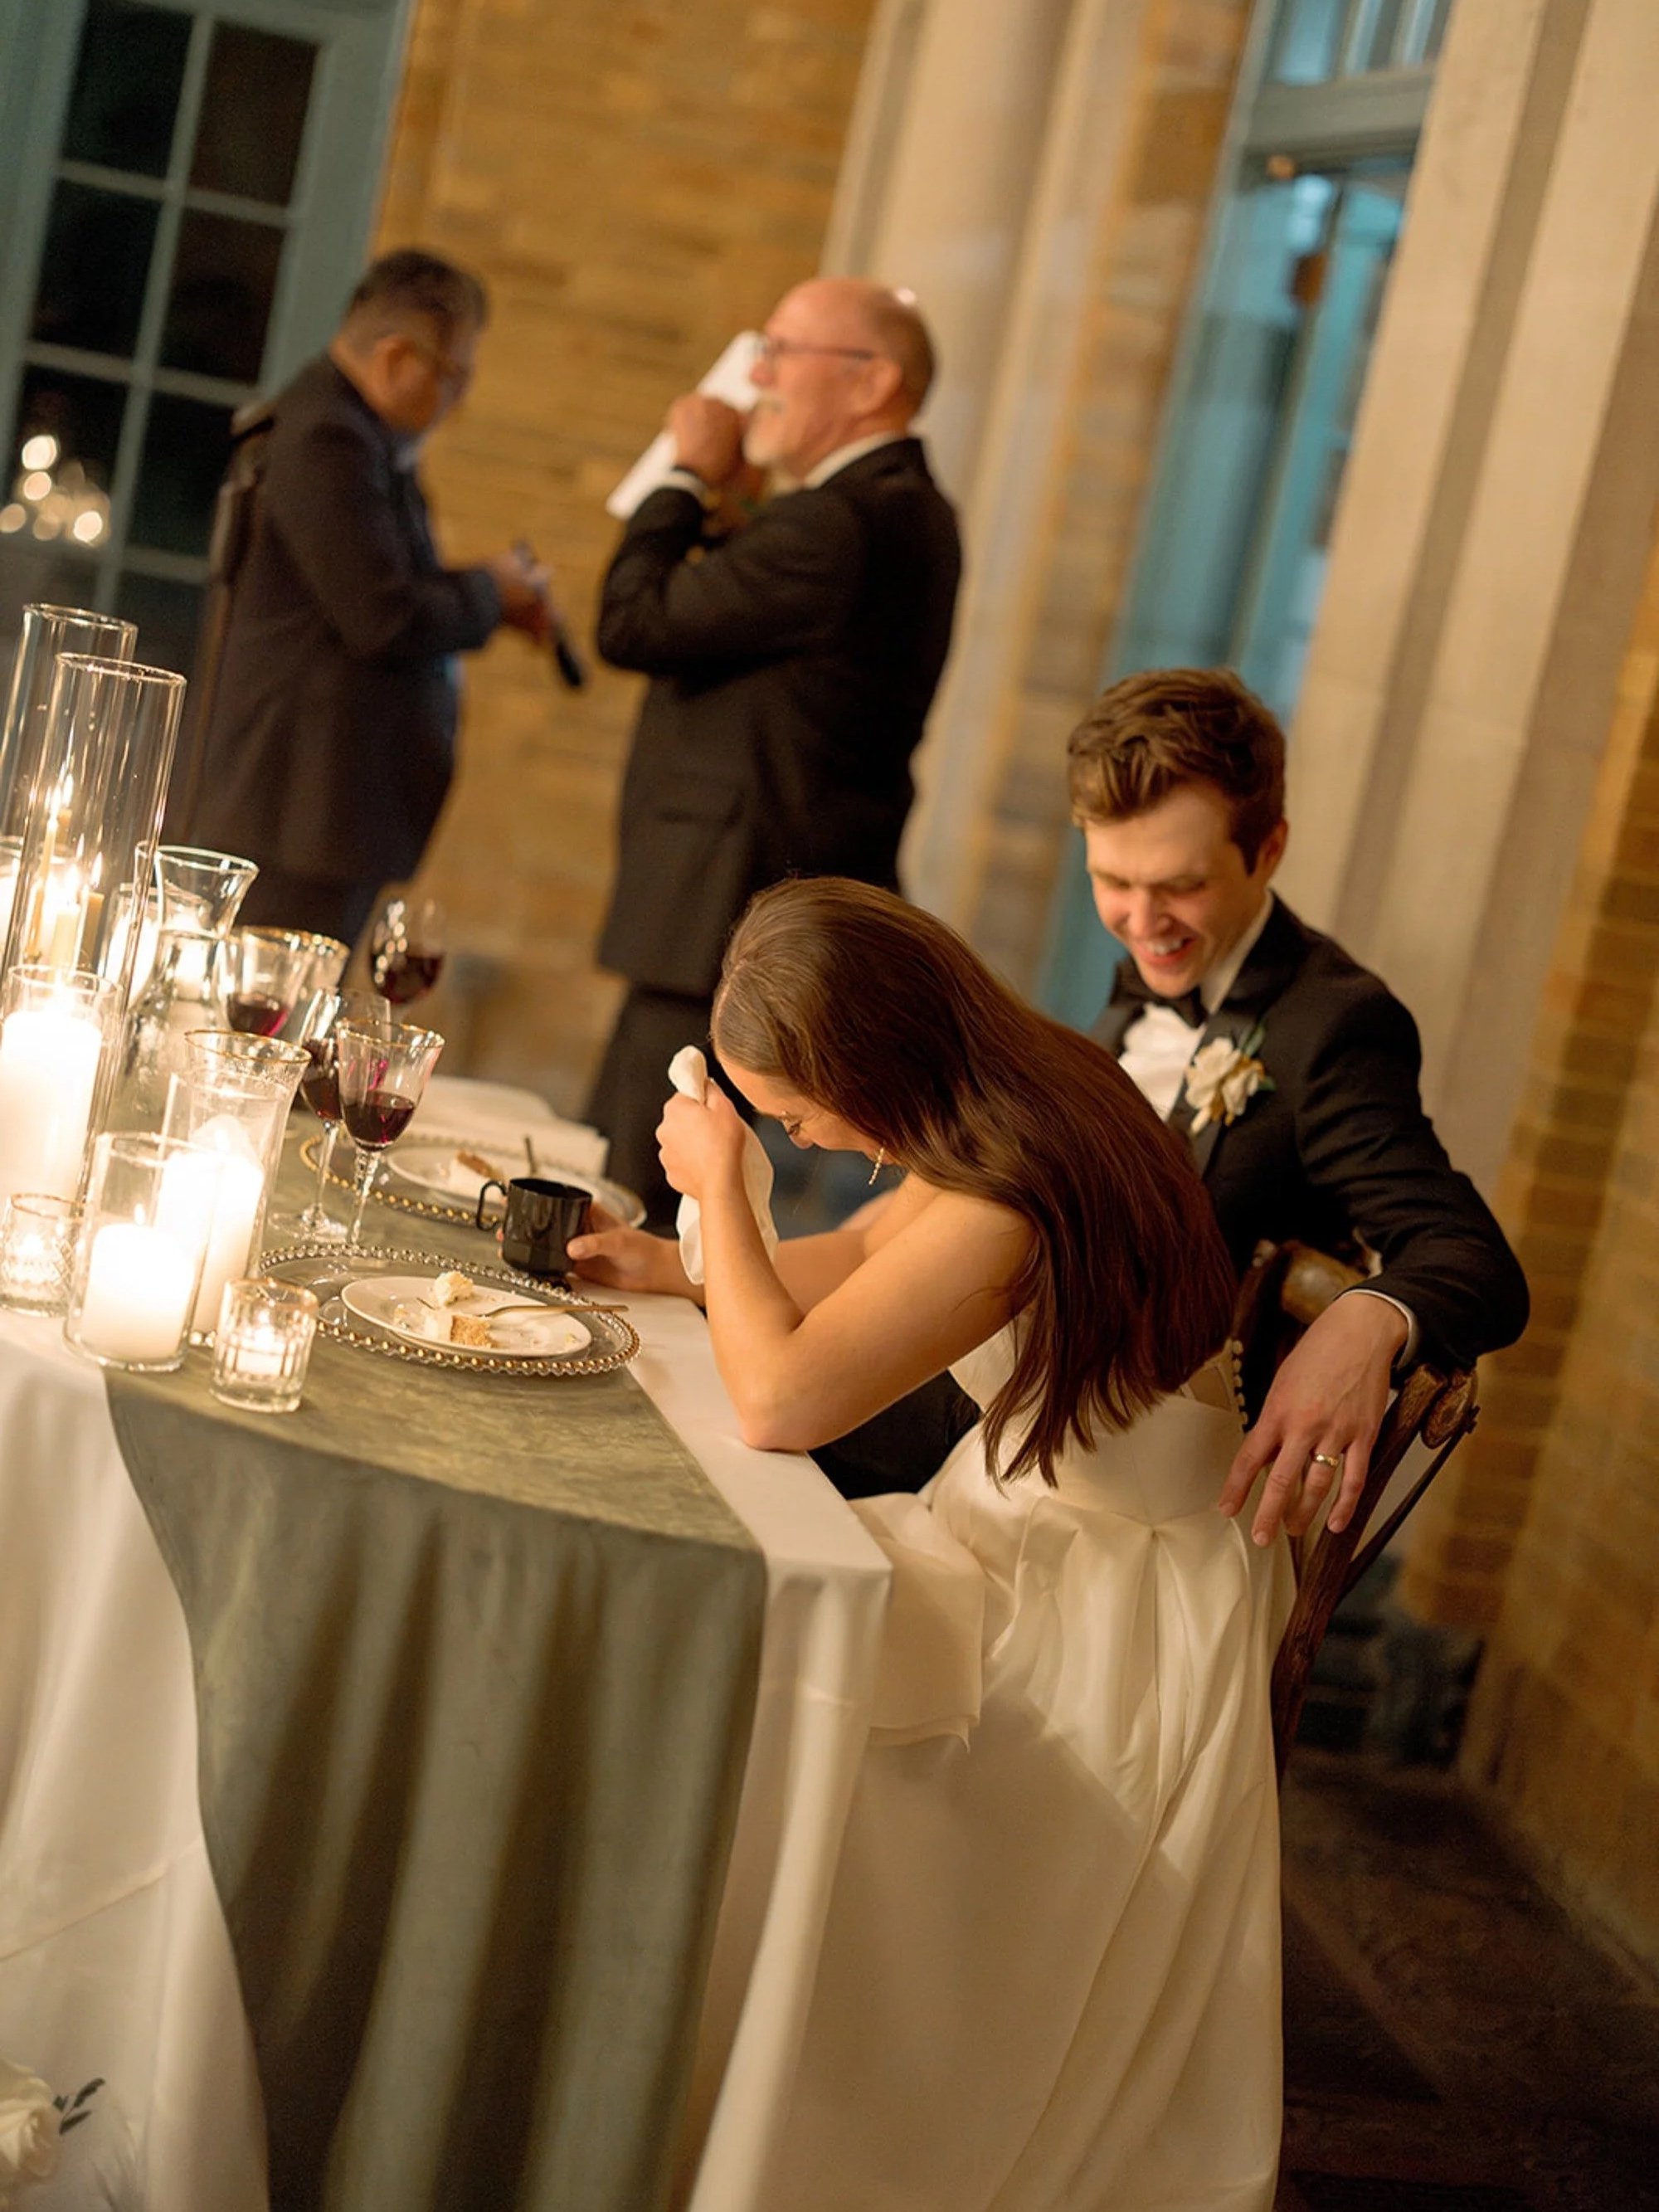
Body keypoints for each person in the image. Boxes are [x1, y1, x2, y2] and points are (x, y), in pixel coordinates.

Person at [569, 877, 1294, 2210]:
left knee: (757, 1644)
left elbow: (781, 1403)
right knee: (752, 1607)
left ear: (872, 1059)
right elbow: (854, 1252)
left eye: (799, 1114)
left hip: (1102, 1628)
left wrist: (722, 1186)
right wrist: (670, 1265)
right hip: (1033, 1532)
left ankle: (725, 2085)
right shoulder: (1029, 1089)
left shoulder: (1011, 1193)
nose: (808, 1138)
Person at [1072, 666, 1530, 1547]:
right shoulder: (1151, 965)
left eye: (1179, 885)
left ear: (1269, 848)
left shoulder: (1335, 1026)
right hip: (1067, 1422)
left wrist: (1369, 1316)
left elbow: (1472, 1259)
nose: (1140, 919)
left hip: (1163, 1505)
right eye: (1111, 880)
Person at [587, 276, 961, 1228]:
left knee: (631, 1195)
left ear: (872, 381)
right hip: (759, 895)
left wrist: (683, 475)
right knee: (678, 1197)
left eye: (782, 351)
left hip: (722, 908)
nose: (758, 376)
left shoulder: (832, 522)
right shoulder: (901, 510)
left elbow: (632, 621)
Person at [181, 249, 549, 945]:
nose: (458, 398)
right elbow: (381, 615)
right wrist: (489, 592)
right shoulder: (328, 438)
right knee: (267, 1034)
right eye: (455, 374)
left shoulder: (354, 434)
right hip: (296, 813)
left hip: (319, 814)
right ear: (396, 357)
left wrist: (488, 591)